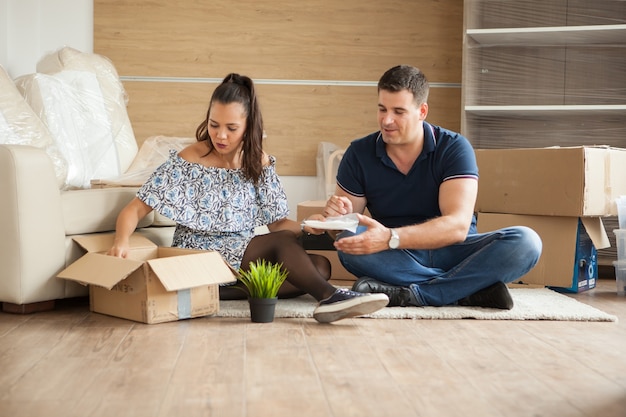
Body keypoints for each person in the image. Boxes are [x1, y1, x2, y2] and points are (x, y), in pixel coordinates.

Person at [107, 73, 388, 323]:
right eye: (214, 125)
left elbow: (279, 224)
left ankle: (226, 289)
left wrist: (309, 226)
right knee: (285, 248)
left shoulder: (259, 163)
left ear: (248, 124)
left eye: (231, 128)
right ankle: (330, 298)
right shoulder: (189, 159)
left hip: (240, 253)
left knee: (319, 266)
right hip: (199, 252)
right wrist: (121, 242)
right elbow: (134, 209)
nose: (220, 135)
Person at [305, 65, 542, 310]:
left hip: (455, 251)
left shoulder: (454, 147)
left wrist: (390, 237)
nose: (387, 120)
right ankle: (467, 290)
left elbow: (458, 227)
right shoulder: (358, 153)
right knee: (349, 243)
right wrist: (336, 219)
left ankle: (413, 294)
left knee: (527, 242)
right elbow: (346, 230)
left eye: (398, 111)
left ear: (422, 111)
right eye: (382, 109)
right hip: (398, 256)